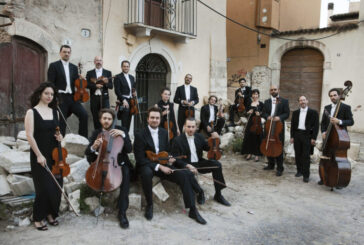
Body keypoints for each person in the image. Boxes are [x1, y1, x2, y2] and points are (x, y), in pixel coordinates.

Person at [134, 107, 207, 224]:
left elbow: (168, 151)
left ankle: (192, 209)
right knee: (147, 173)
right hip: (147, 165)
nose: (154, 120)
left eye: (157, 118)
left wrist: (171, 159)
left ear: (160, 119)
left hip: (163, 164)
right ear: (147, 119)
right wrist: (160, 167)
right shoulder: (140, 135)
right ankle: (150, 205)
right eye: (152, 117)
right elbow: (140, 159)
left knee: (185, 174)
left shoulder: (164, 132)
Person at [84, 108, 132, 229]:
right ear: (100, 120)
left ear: (113, 120)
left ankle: (122, 213)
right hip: (101, 163)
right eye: (104, 118)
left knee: (126, 174)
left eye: (109, 119)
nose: (107, 121)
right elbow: (88, 153)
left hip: (118, 163)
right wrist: (93, 147)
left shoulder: (121, 130)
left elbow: (129, 149)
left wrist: (123, 135)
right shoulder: (97, 133)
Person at [24, 82, 63, 231]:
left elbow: (58, 132)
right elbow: (29, 135)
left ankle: (51, 214)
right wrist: (39, 155)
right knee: (43, 188)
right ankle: (38, 217)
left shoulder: (55, 112)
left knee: (56, 187)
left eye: (52, 94)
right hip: (40, 154)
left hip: (55, 154)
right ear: (40, 94)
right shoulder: (31, 113)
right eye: (47, 93)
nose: (49, 96)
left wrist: (60, 137)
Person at [172, 118, 231, 206]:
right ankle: (200, 192)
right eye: (188, 127)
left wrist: (216, 140)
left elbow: (208, 148)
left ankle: (218, 194)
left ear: (196, 127)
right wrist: (187, 165)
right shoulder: (177, 140)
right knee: (188, 173)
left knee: (217, 165)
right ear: (184, 127)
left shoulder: (199, 136)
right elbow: (176, 159)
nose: (191, 129)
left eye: (193, 127)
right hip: (186, 165)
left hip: (199, 163)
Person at [47, 45, 88, 138]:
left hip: (72, 97)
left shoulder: (73, 67)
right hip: (60, 97)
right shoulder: (54, 65)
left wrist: (81, 80)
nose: (66, 54)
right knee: (62, 121)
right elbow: (50, 83)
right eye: (64, 52)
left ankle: (83, 140)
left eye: (68, 52)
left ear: (70, 54)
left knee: (84, 115)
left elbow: (77, 83)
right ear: (60, 53)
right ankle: (60, 144)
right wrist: (54, 97)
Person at [318, 88, 354, 185]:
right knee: (325, 157)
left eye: (334, 95)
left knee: (336, 157)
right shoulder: (327, 108)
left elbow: (351, 121)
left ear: (339, 96)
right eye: (331, 96)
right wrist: (323, 132)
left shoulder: (346, 107)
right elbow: (323, 123)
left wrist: (340, 122)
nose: (333, 97)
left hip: (338, 137)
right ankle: (323, 177)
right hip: (328, 137)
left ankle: (337, 178)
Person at [261, 85, 290, 176]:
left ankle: (280, 168)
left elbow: (287, 113)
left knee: (278, 146)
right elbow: (263, 113)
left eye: (275, 89)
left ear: (278, 90)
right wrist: (267, 117)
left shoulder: (284, 101)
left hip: (278, 127)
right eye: (271, 90)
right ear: (270, 91)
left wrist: (279, 117)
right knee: (269, 144)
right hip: (269, 126)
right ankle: (271, 164)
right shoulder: (267, 101)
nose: (273, 91)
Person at [290, 96, 319, 183]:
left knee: (306, 156)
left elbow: (316, 126)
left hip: (307, 136)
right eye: (300, 100)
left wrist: (314, 137)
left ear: (307, 101)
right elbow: (292, 126)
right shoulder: (295, 113)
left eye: (304, 100)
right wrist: (292, 136)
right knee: (298, 154)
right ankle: (299, 171)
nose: (302, 102)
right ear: (299, 102)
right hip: (297, 134)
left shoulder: (313, 112)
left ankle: (306, 175)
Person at [86, 56, 113, 130]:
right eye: (97, 60)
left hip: (105, 99)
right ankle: (98, 136)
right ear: (94, 62)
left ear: (102, 62)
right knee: (96, 118)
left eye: (100, 60)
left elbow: (111, 86)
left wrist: (106, 83)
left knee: (106, 117)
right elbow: (86, 85)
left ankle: (106, 137)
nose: (98, 62)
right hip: (94, 99)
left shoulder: (108, 72)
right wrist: (95, 86)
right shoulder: (89, 73)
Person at [241, 89, 264, 162]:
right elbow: (245, 113)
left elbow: (264, 112)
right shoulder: (249, 103)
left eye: (256, 94)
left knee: (257, 138)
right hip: (250, 122)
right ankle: (249, 153)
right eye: (253, 94)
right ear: (251, 95)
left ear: (258, 95)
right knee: (249, 137)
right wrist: (248, 112)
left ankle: (257, 155)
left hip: (257, 122)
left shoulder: (261, 104)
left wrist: (260, 114)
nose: (255, 96)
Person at [114, 60, 136, 131]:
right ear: (121, 67)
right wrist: (123, 100)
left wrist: (134, 92)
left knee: (129, 119)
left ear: (129, 67)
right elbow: (117, 91)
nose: (126, 68)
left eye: (127, 66)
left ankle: (126, 136)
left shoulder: (132, 77)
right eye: (124, 66)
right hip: (123, 101)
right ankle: (123, 137)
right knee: (124, 120)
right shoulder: (118, 77)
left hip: (131, 101)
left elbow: (133, 88)